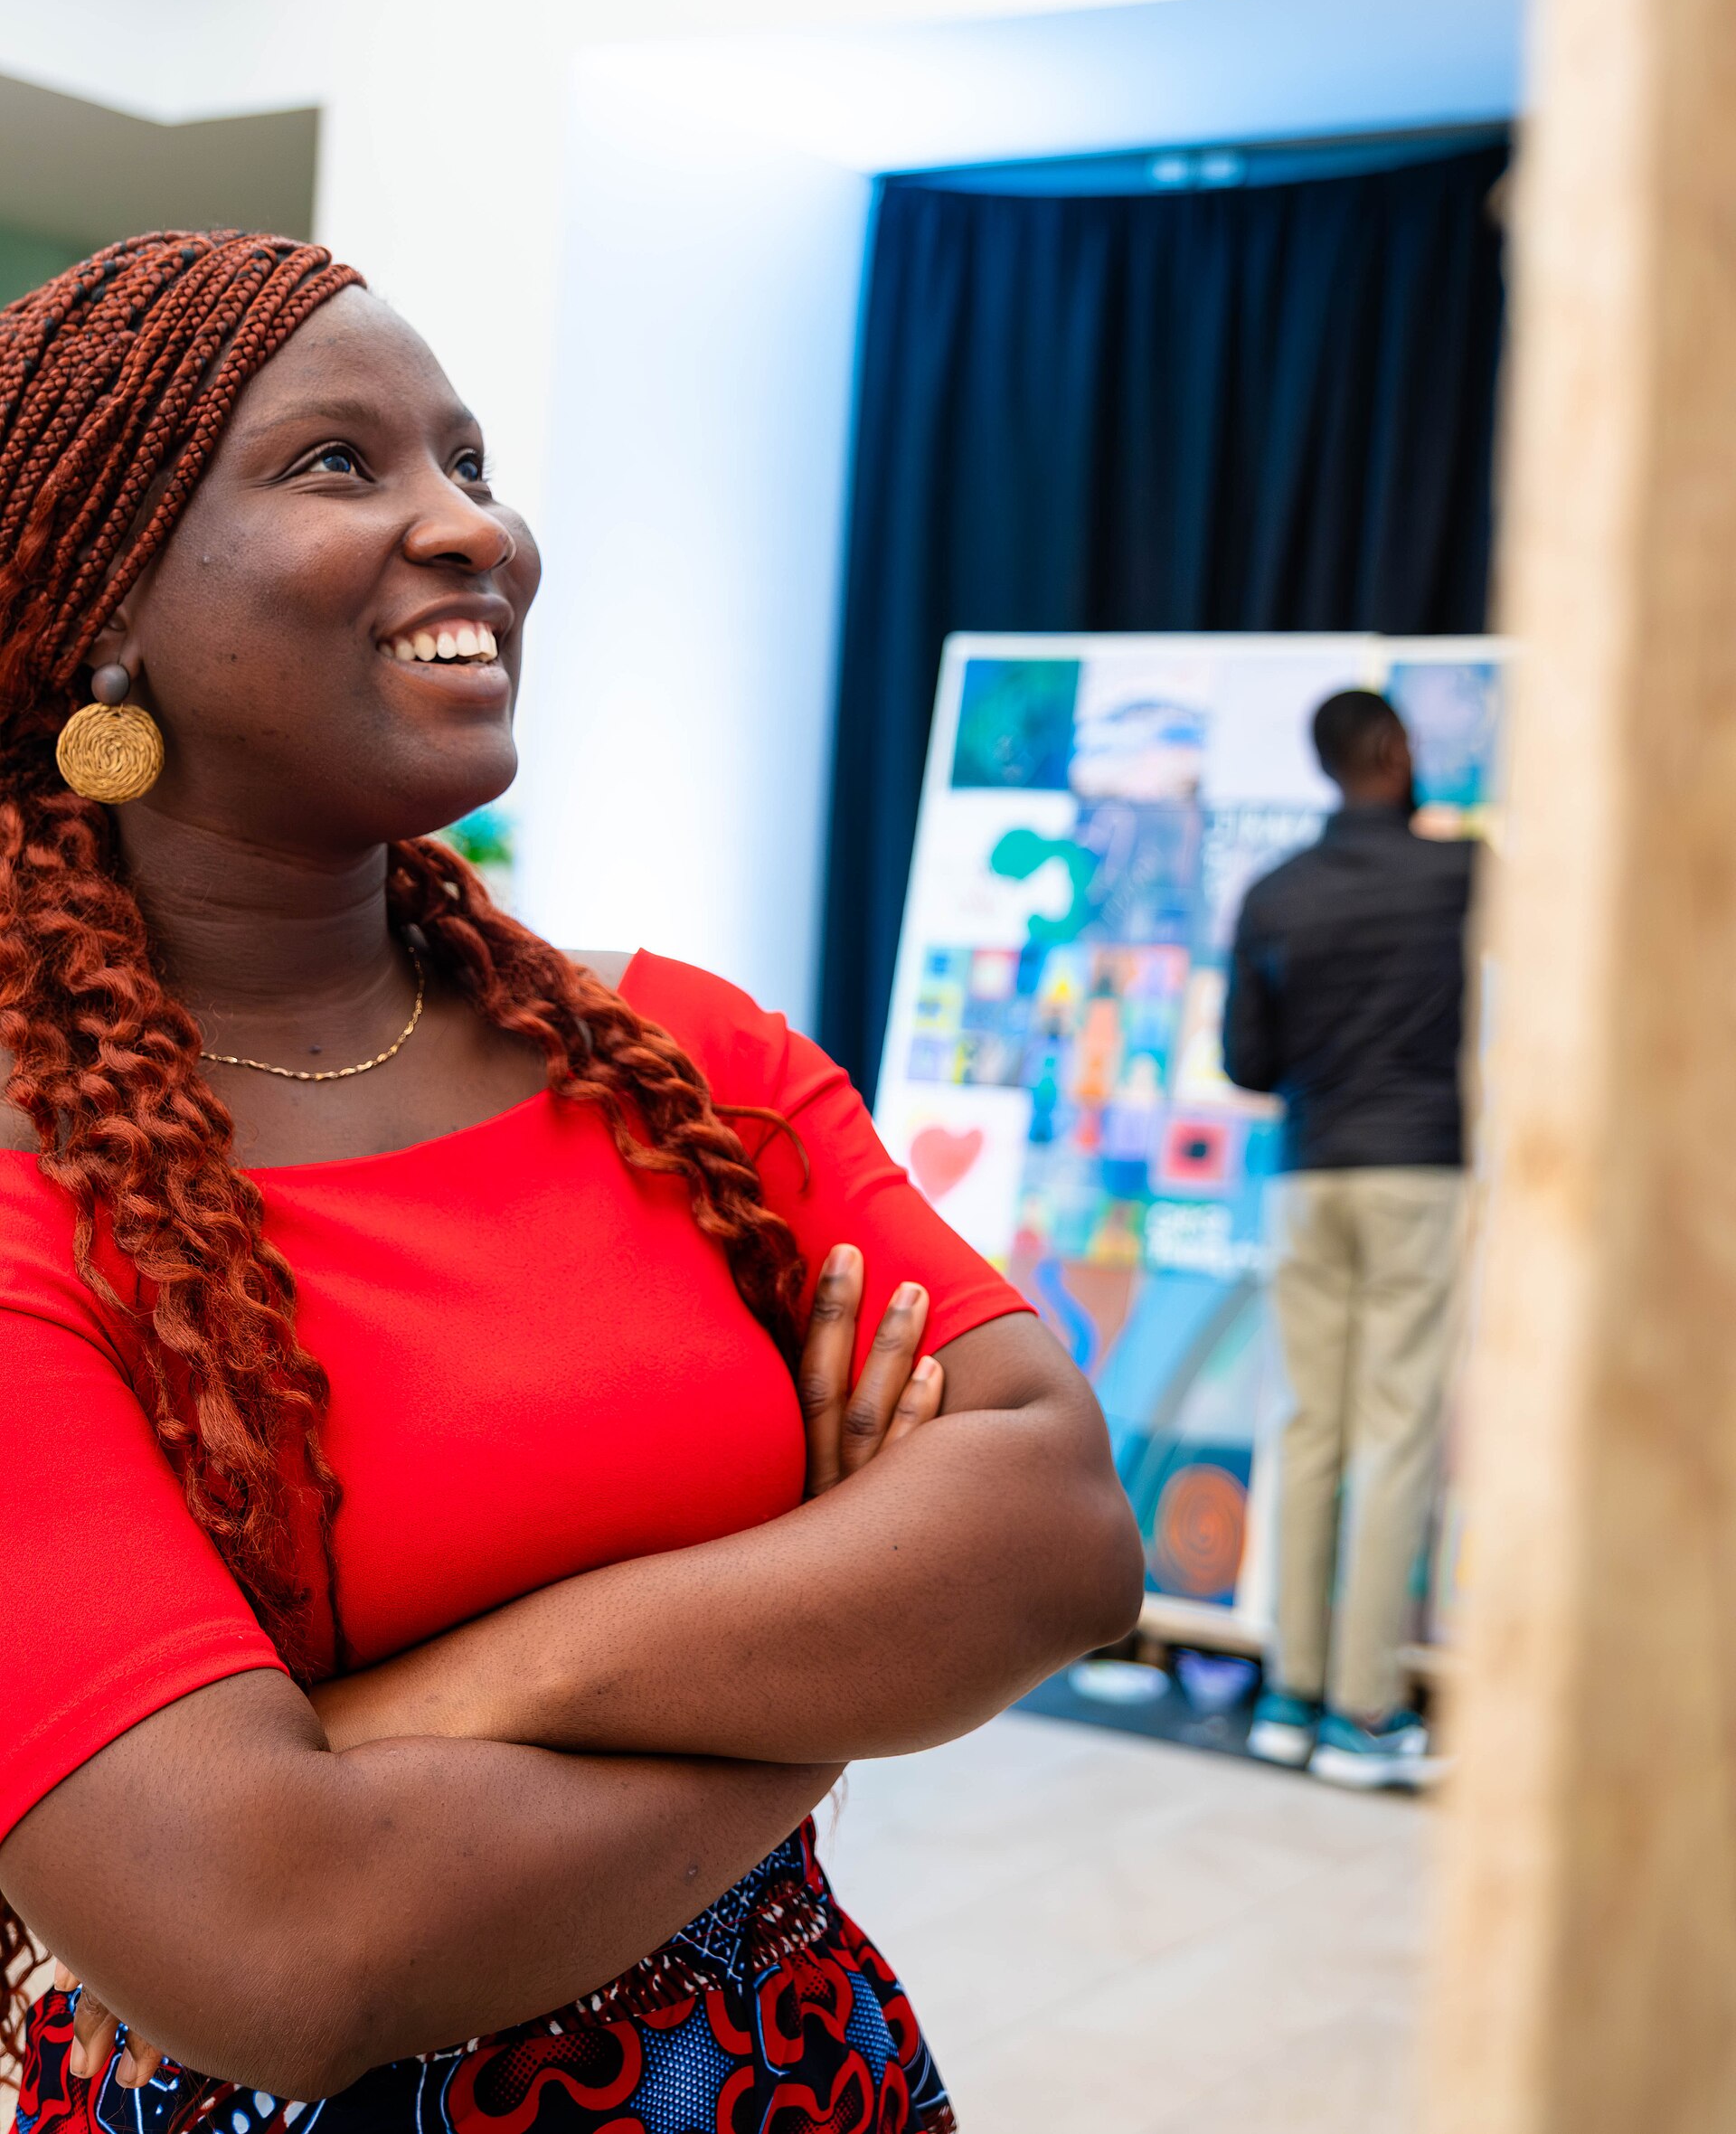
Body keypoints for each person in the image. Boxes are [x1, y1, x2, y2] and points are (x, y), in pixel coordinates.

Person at [0, 232, 1144, 2134]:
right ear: (104, 603)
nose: (475, 529)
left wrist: (429, 1707)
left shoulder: (682, 1056)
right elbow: (277, 1942)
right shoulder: (31, 1189)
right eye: (339, 464)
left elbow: (1056, 1527)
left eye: (469, 461)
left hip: (804, 2085)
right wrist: (839, 1629)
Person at [1223, 688, 1472, 1790]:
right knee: (1396, 1429)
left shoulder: (1275, 891)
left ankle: (1289, 1692)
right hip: (1417, 1167)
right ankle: (1365, 1711)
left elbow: (1246, 1063)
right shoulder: (1460, 876)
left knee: (1310, 1426)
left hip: (1310, 1173)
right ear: (1397, 749)